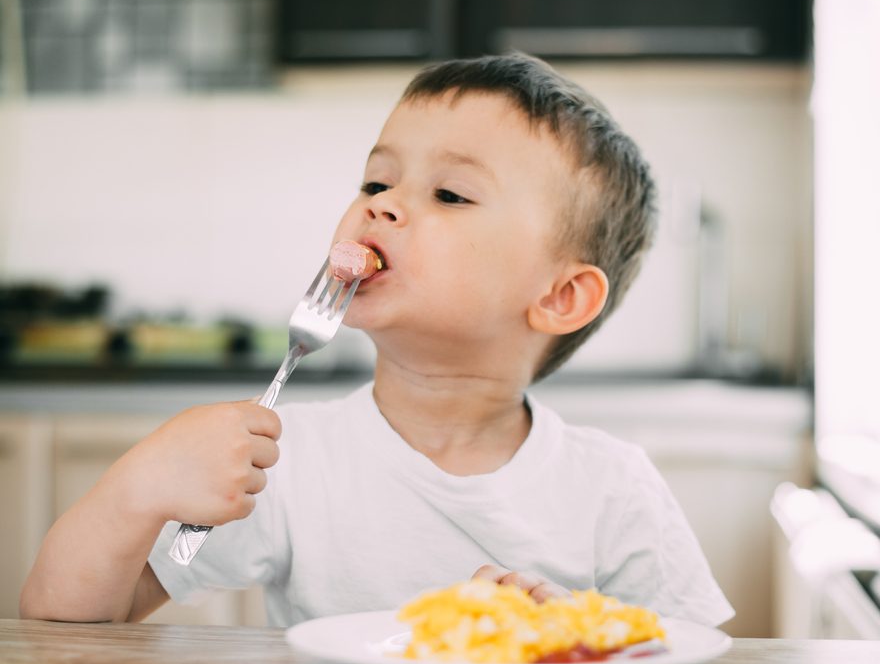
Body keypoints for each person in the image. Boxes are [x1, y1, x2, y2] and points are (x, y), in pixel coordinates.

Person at [20, 53, 733, 628]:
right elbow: (64, 616)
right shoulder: (287, 462)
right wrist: (136, 487)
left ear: (559, 296)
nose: (380, 204)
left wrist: (571, 628)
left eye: (450, 194)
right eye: (375, 180)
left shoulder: (612, 488)